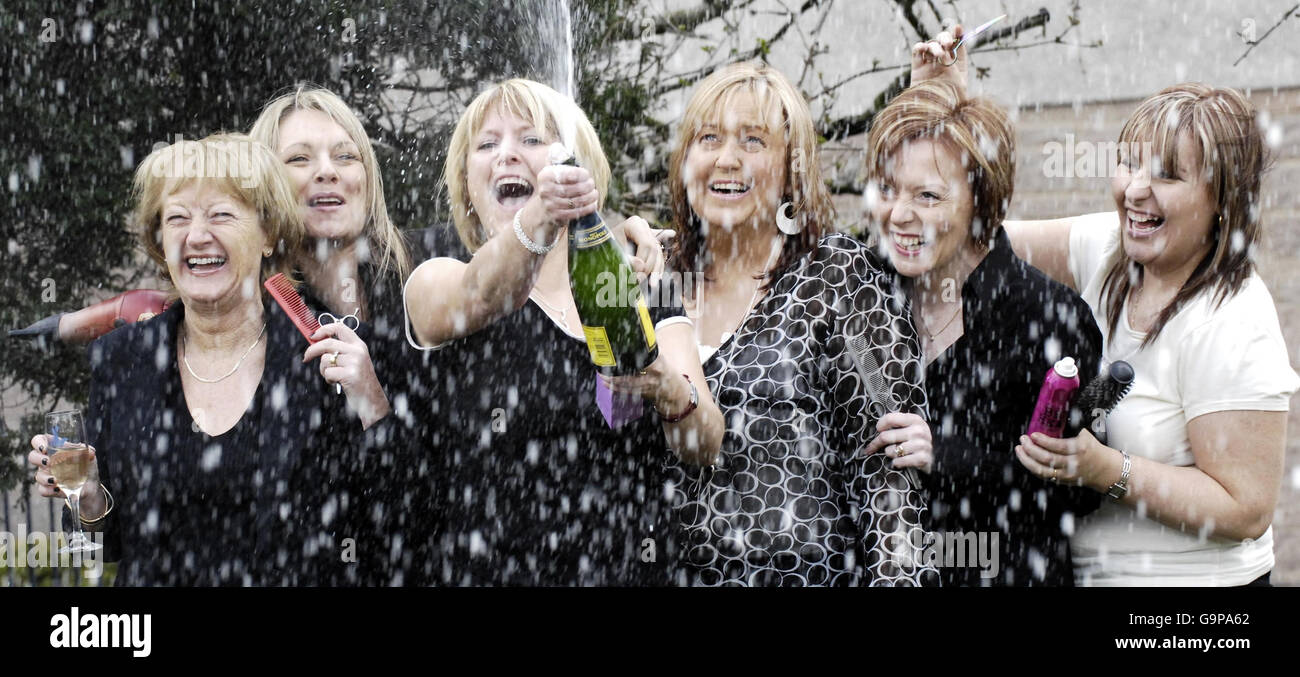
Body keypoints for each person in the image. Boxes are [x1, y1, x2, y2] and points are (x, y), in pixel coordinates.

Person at [27, 134, 388, 585]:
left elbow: (389, 521)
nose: (197, 236)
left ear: (268, 234)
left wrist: (373, 404)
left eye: (221, 215)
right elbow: (105, 544)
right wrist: (89, 496)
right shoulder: (123, 359)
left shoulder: (327, 355)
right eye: (177, 218)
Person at [403, 78, 724, 585]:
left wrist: (668, 390)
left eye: (531, 139)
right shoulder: (437, 279)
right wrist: (541, 215)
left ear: (581, 172)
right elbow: (484, 294)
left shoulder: (640, 284)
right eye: (487, 145)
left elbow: (705, 444)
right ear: (467, 184)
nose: (507, 155)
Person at [1003, 84, 1300, 586]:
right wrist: (943, 105)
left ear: (1222, 199)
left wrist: (1107, 471)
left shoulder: (1234, 319)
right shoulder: (1106, 249)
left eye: (1166, 173)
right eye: (1128, 163)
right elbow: (980, 243)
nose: (1135, 189)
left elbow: (1246, 509)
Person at [661, 61, 937, 586]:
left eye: (753, 141)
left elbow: (888, 476)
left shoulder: (837, 278)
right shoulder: (654, 278)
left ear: (792, 169)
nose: (726, 159)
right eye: (709, 138)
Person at [863, 78, 1103, 586]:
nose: (899, 214)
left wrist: (948, 457)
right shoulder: (858, 296)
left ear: (980, 200)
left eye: (927, 195)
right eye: (887, 189)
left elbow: (1077, 492)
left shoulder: (1047, 317)